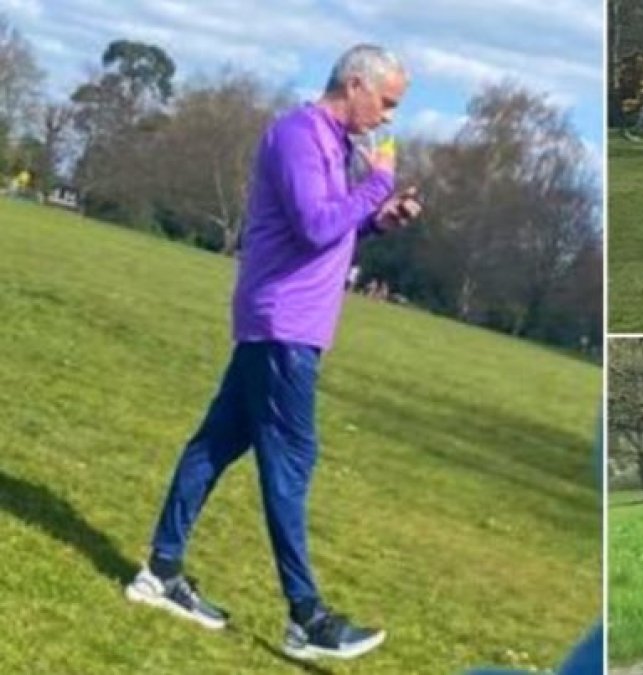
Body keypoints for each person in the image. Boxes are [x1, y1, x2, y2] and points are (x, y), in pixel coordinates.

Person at [123, 43, 422, 661]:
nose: (389, 117)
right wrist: (380, 183)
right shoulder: (298, 134)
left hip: (288, 325)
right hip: (283, 325)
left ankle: (161, 572)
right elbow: (314, 225)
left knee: (214, 445)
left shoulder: (333, 145)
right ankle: (306, 617)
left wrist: (377, 218)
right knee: (291, 462)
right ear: (356, 84)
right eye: (387, 102)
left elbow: (327, 228)